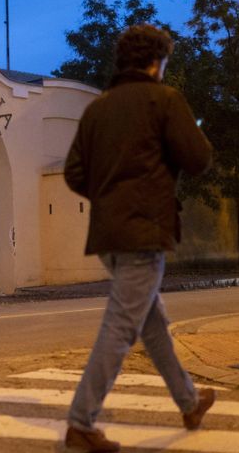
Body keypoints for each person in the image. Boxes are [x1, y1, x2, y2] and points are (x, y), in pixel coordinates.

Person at [63, 24, 215, 452]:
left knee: (153, 324)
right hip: (144, 232)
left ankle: (188, 401)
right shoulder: (162, 100)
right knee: (121, 327)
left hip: (109, 235)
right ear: (156, 62)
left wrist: (109, 195)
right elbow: (199, 158)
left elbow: (75, 172)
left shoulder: (98, 109)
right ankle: (80, 421)